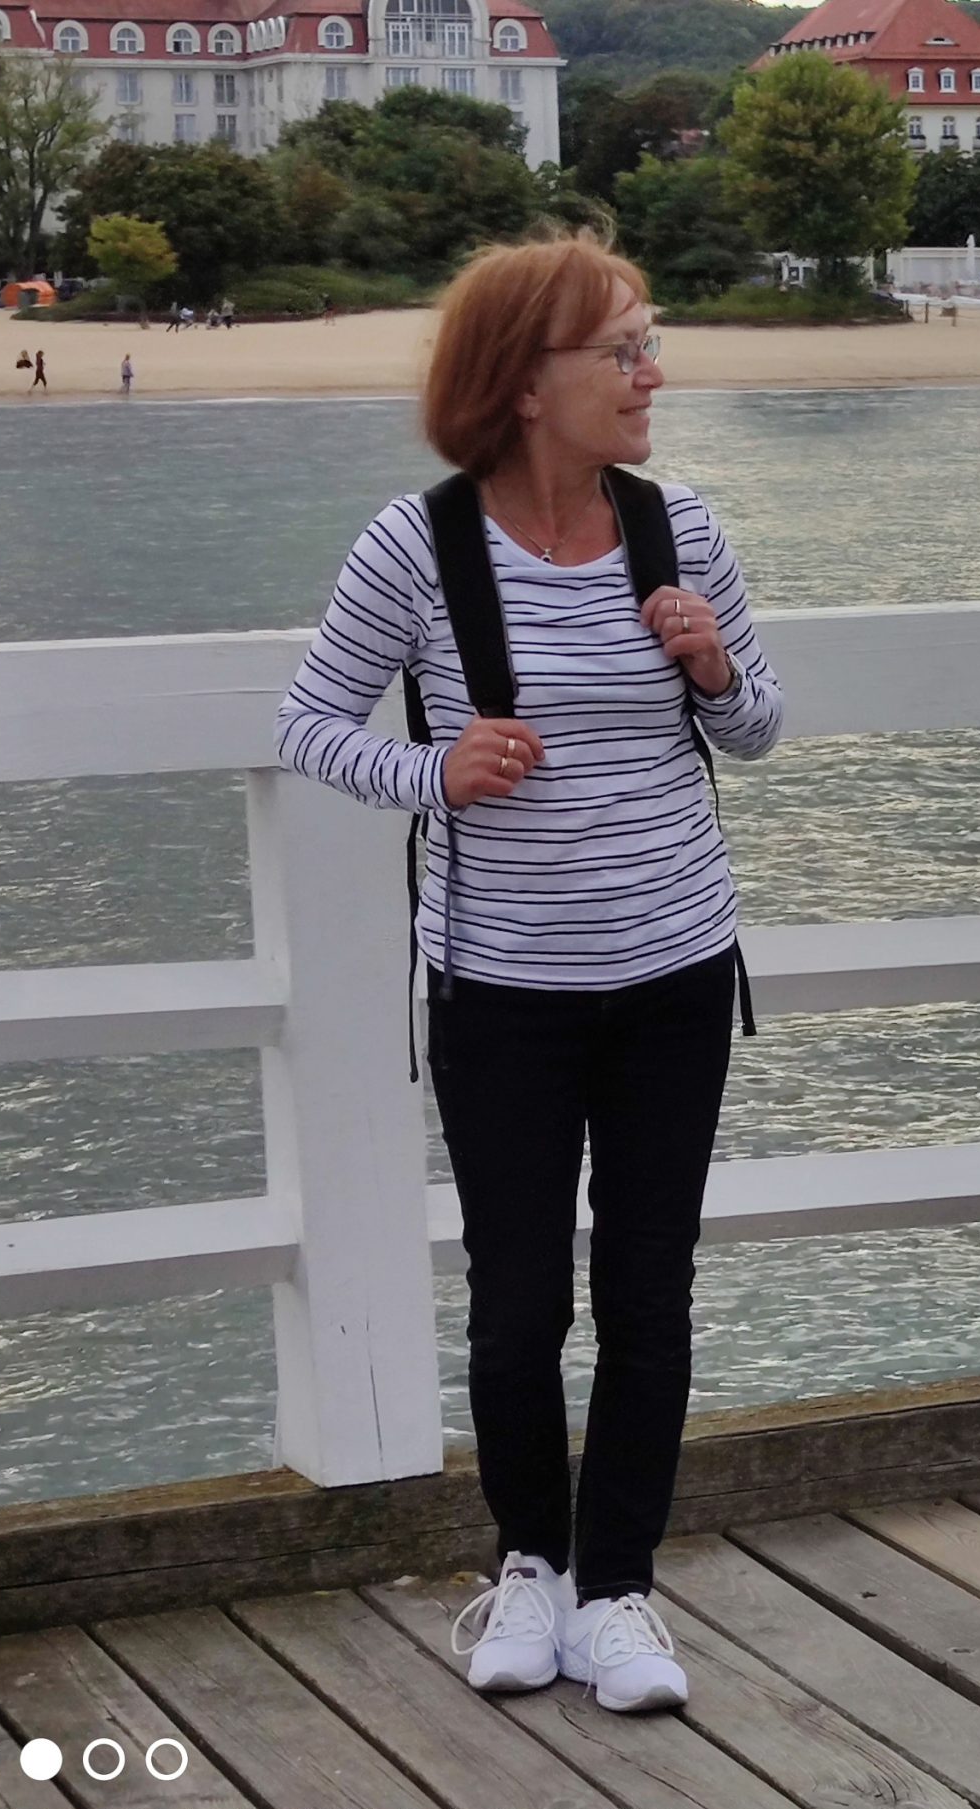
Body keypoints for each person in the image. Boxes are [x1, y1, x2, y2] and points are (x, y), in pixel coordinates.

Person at [274, 232, 785, 1717]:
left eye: (650, 342)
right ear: (522, 383)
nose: (652, 374)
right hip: (502, 988)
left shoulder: (678, 530)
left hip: (677, 972)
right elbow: (310, 725)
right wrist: (435, 769)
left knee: (647, 1288)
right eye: (622, 350)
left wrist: (711, 666)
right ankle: (530, 1569)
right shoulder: (416, 546)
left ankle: (619, 1590)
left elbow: (759, 728)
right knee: (515, 1302)